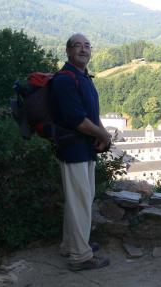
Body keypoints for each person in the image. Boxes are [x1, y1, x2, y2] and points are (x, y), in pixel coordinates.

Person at [50, 33, 112, 271]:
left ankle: (71, 245)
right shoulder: (65, 80)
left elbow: (92, 115)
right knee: (80, 202)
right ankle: (80, 257)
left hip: (85, 149)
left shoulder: (83, 77)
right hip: (72, 148)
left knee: (79, 201)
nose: (84, 50)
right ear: (67, 51)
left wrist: (101, 134)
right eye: (78, 46)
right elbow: (77, 120)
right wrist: (102, 135)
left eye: (87, 46)